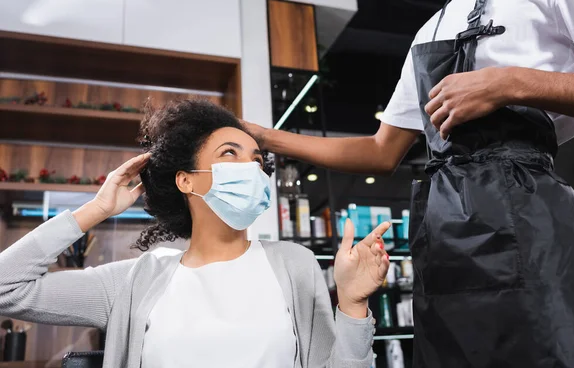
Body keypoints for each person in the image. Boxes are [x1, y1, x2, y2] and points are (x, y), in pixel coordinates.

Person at [245, 0, 574, 367]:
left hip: (531, 217)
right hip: (445, 233)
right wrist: (265, 136)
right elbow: (380, 151)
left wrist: (510, 83)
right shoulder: (429, 32)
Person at [0, 99, 392, 368]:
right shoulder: (136, 280)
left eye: (257, 160)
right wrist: (96, 210)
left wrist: (354, 306)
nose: (252, 169)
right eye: (229, 154)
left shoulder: (294, 264)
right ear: (186, 180)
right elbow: (7, 288)